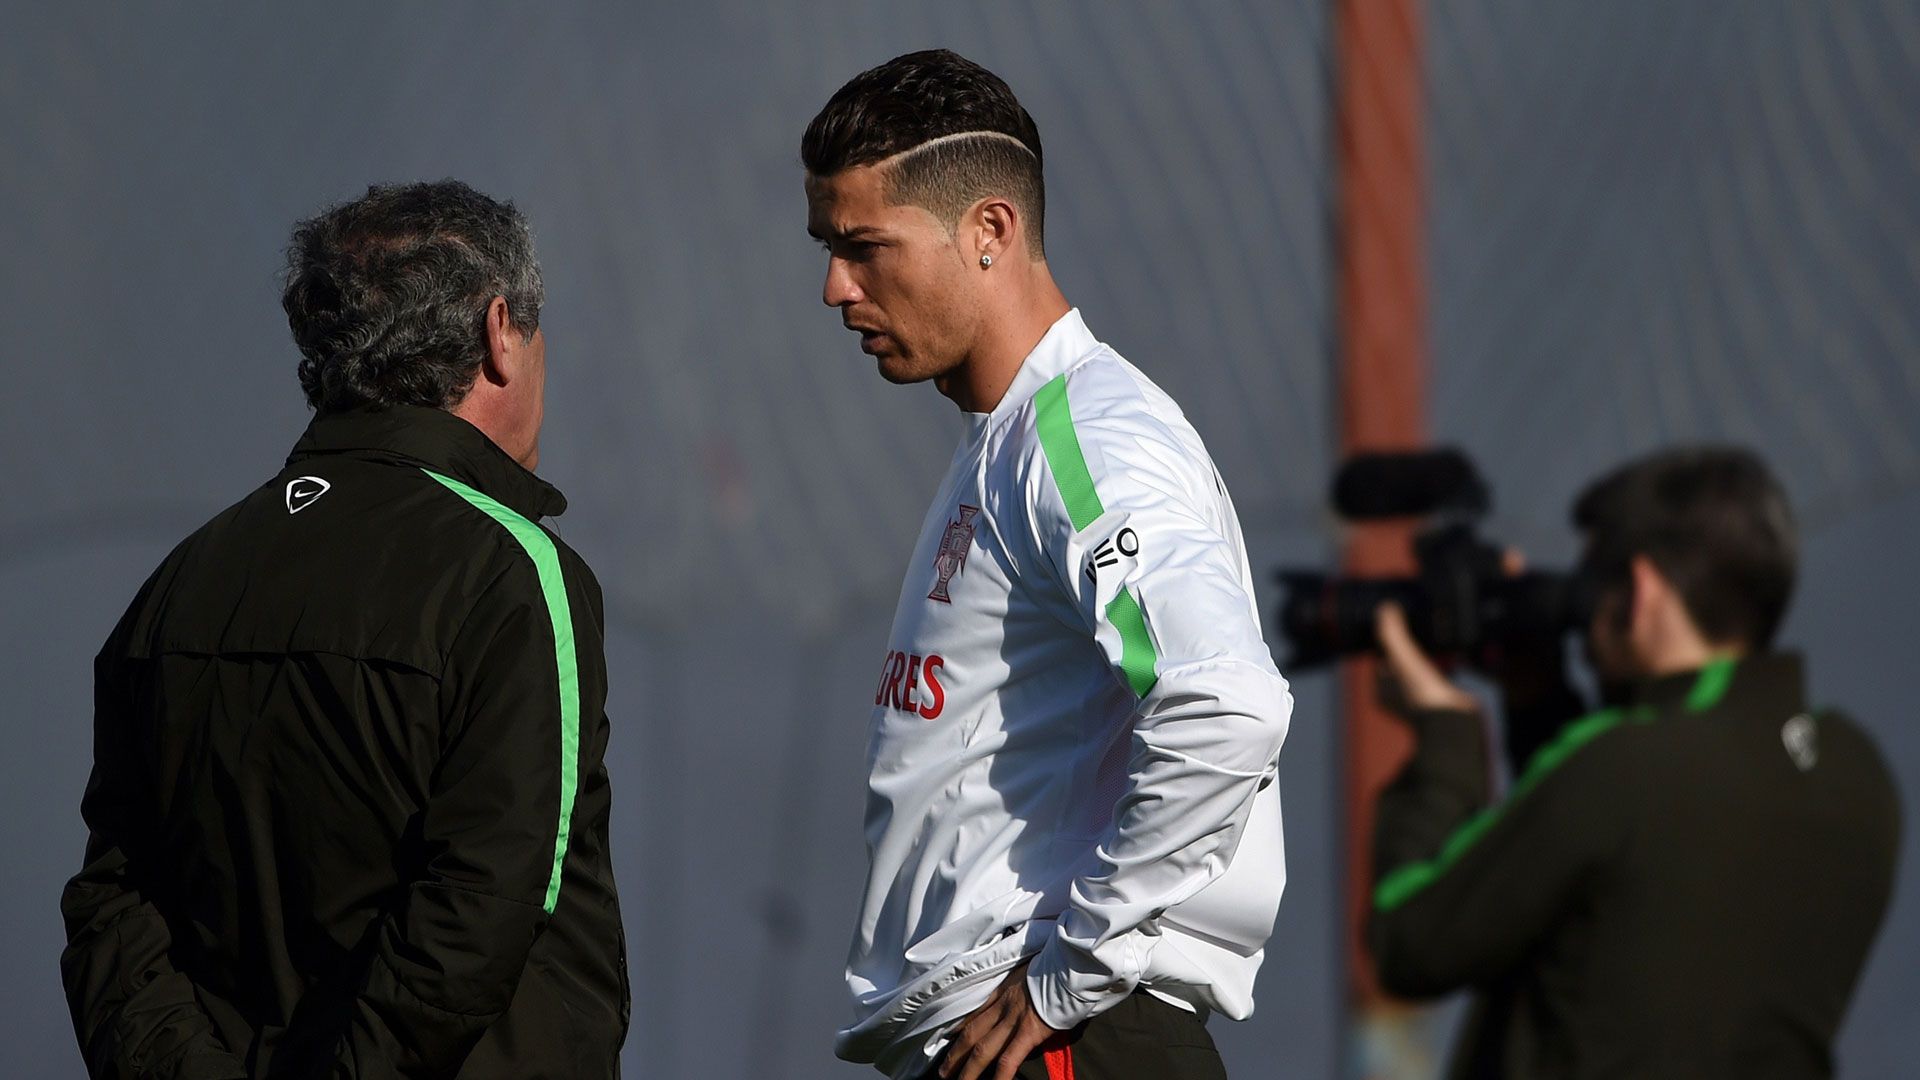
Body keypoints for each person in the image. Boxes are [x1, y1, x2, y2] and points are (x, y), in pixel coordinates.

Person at [60, 181, 628, 1078]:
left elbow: (113, 901)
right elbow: (490, 900)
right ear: (497, 333)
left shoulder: (179, 581)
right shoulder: (514, 574)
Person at [803, 50, 1293, 1080]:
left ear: (990, 230)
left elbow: (1230, 701)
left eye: (864, 246)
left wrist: (1074, 968)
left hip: (1060, 1037)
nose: (835, 286)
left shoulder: (1082, 438)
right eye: (827, 247)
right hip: (1014, 1036)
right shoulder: (1005, 441)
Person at [1368, 446, 1901, 1079]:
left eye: (1590, 587)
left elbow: (1410, 937)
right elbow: (1636, 880)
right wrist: (1541, 703)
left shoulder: (1620, 766)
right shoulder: (1854, 772)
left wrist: (1445, 735)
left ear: (1641, 590)